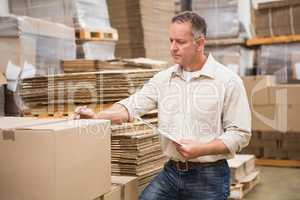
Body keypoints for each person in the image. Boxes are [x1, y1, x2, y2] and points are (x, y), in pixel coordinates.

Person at [74, 11, 251, 200]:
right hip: (171, 172)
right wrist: (96, 116)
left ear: (200, 43)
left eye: (180, 42)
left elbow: (240, 134)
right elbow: (131, 106)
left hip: (209, 176)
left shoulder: (228, 81)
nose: (173, 48)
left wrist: (201, 148)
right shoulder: (164, 79)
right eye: (171, 41)